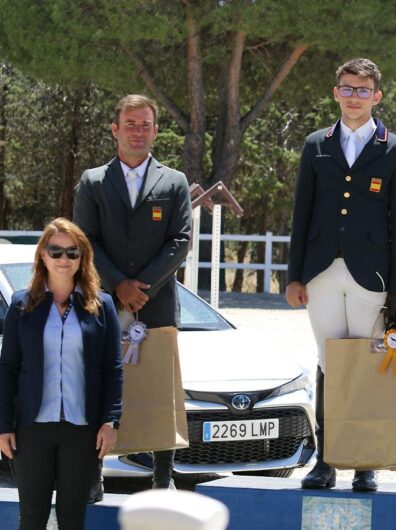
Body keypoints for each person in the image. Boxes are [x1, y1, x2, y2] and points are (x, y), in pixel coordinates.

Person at [285, 57, 396, 492]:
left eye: (363, 90)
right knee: (329, 366)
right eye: (347, 88)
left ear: (376, 96)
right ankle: (326, 460)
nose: (354, 96)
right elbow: (301, 214)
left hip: (371, 276)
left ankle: (364, 461)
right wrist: (294, 276)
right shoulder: (315, 144)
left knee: (367, 365)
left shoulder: (395, 150)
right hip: (321, 272)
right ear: (335, 91)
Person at [73, 94, 192, 499]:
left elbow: (181, 240)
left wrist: (143, 288)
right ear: (115, 129)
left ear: (155, 131)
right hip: (102, 302)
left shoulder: (173, 181)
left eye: (145, 125)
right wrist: (118, 285)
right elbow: (84, 239)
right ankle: (94, 475)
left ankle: (162, 477)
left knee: (160, 391)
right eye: (130, 124)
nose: (138, 132)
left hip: (156, 306)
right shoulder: (91, 181)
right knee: (100, 388)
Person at [0, 218, 123, 529]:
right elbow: (8, 369)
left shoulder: (102, 306)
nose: (64, 259)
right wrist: (3, 426)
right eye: (55, 251)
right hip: (31, 430)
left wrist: (110, 421)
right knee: (31, 517)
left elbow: (112, 369)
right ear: (43, 255)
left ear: (83, 258)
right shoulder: (21, 306)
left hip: (82, 431)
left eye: (72, 252)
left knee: (72, 518)